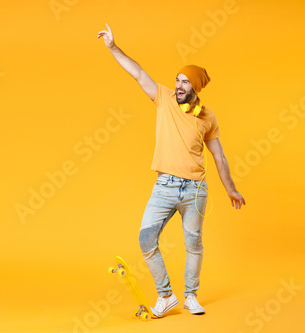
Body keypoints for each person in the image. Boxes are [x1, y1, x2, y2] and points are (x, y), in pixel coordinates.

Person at [97, 23, 246, 317]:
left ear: (195, 87)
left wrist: (231, 189)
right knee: (146, 239)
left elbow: (219, 156)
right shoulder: (163, 99)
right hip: (164, 186)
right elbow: (138, 73)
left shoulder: (207, 116)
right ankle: (166, 295)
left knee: (194, 244)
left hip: (195, 190)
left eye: (184, 82)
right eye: (176, 80)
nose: (178, 85)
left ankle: (191, 296)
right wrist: (114, 47)